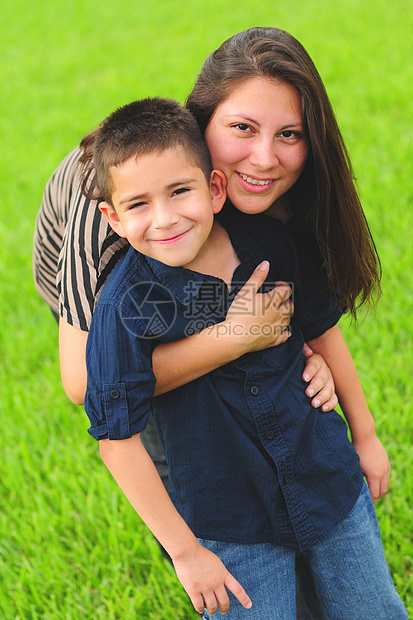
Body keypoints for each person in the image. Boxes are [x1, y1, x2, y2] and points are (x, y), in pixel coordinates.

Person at [31, 26, 390, 617]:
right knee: (191, 450)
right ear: (206, 121)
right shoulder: (118, 201)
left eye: (290, 134)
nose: (265, 156)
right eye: (242, 128)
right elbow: (90, 390)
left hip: (315, 464)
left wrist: (300, 354)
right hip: (101, 303)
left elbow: (309, 317)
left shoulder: (271, 204)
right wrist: (235, 337)